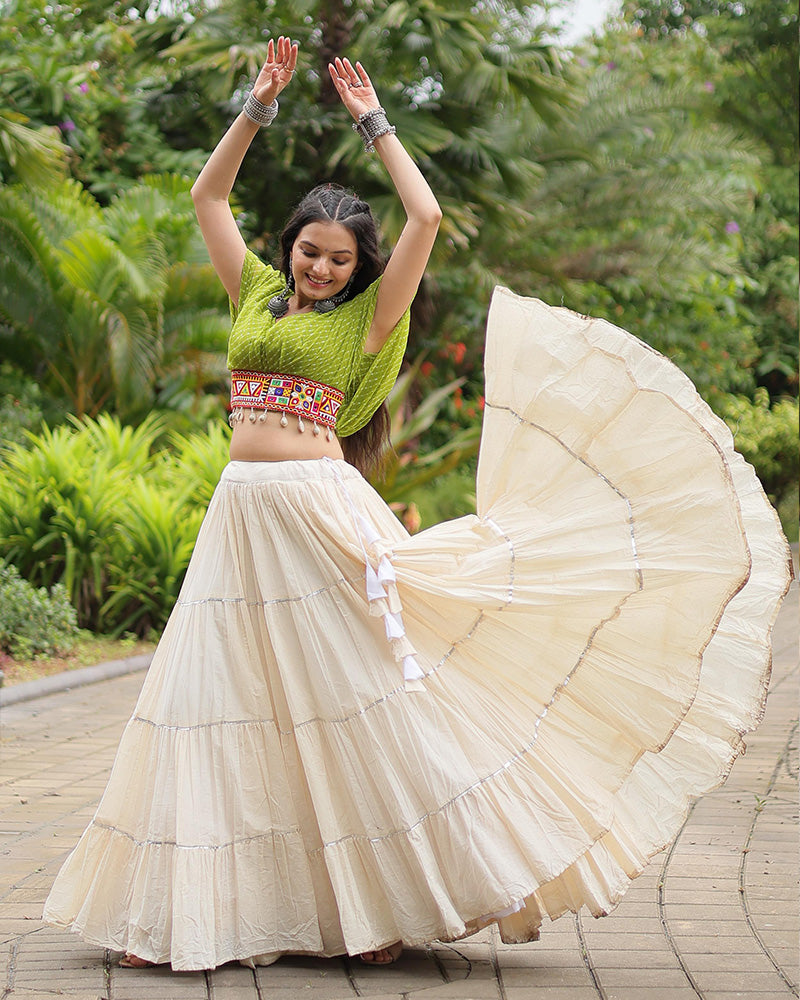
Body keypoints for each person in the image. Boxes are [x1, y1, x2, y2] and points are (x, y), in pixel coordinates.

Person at [43, 36, 792, 974]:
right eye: (310, 253)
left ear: (359, 270)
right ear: (289, 252)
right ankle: (188, 911)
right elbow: (207, 195)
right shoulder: (254, 294)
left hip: (318, 512)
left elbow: (427, 216)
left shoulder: (370, 316)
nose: (321, 269)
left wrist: (374, 122)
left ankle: (397, 899)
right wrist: (257, 104)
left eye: (338, 260)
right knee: (218, 697)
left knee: (358, 696)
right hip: (243, 517)